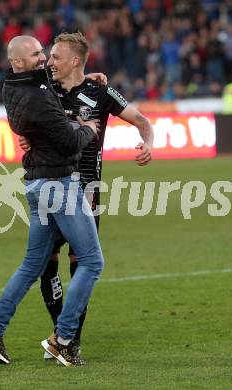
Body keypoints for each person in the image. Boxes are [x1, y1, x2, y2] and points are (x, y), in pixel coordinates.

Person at [19, 32, 154, 362]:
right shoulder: (46, 89)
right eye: (48, 57)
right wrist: (26, 136)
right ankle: (61, 334)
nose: (48, 62)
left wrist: (148, 143)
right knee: (45, 267)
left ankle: (69, 339)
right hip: (50, 185)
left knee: (81, 266)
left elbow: (141, 120)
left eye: (55, 57)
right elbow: (20, 99)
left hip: (86, 191)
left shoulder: (101, 92)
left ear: (75, 61)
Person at [0, 35, 105, 367]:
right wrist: (88, 127)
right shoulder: (41, 99)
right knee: (91, 262)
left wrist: (88, 79)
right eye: (36, 54)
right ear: (18, 61)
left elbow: (44, 88)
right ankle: (63, 339)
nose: (43, 58)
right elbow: (69, 143)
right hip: (58, 183)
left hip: (35, 184)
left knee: (32, 265)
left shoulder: (13, 88)